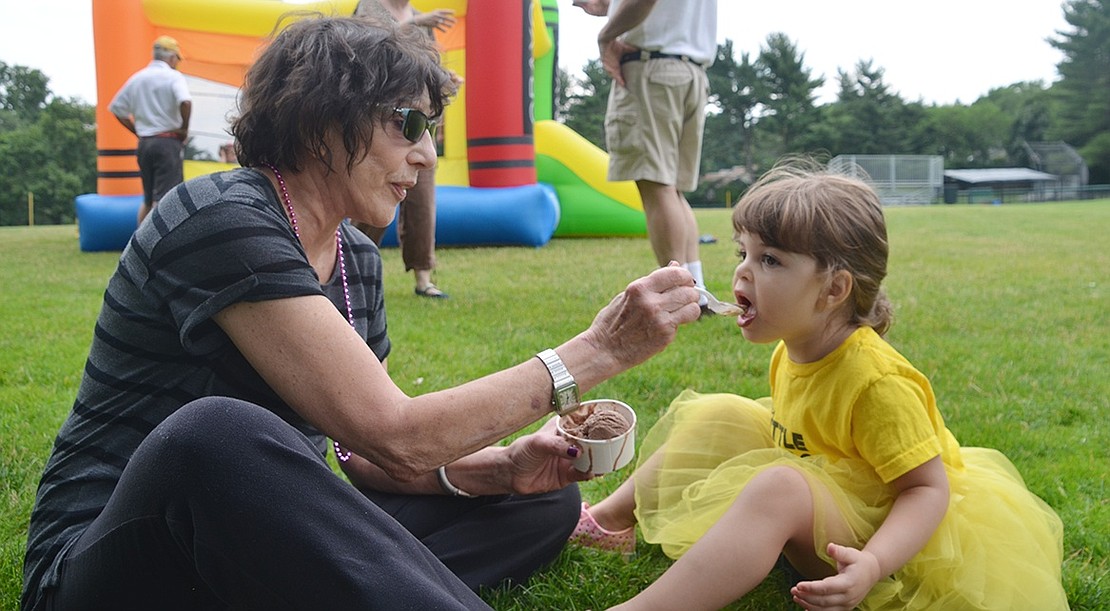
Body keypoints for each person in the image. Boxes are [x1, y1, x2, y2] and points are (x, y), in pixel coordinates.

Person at [21, 17, 702, 611]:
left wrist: (504, 467)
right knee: (213, 433)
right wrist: (599, 349)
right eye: (408, 124)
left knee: (535, 501)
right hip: (119, 558)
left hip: (244, 541)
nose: (427, 152)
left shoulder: (355, 256)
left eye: (432, 131)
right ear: (323, 123)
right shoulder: (222, 220)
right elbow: (396, 433)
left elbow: (363, 455)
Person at [570, 161, 1069, 610]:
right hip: (829, 493)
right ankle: (611, 522)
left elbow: (925, 491)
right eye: (744, 253)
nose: (743, 270)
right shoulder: (793, 347)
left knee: (780, 486)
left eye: (771, 261)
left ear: (834, 289)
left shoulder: (877, 382)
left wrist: (871, 563)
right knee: (721, 412)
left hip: (884, 543)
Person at [574, 0, 717, 308]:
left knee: (656, 185)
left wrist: (606, 35)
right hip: (691, 70)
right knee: (672, 189)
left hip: (651, 69)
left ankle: (678, 297)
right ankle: (695, 290)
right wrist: (612, 7)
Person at [354, 0, 457, 298]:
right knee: (369, 201)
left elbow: (429, 70)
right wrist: (418, 22)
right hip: (382, 127)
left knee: (422, 205)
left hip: (419, 125)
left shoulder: (420, 19)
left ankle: (424, 279)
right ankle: (350, 262)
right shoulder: (370, 7)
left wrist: (447, 83)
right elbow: (367, 45)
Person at [108, 35, 192, 225]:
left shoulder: (137, 78)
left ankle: (138, 244)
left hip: (145, 143)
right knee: (167, 199)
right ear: (171, 58)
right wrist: (184, 129)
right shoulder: (173, 76)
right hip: (167, 142)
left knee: (147, 199)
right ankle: (162, 245)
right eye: (177, 59)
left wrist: (138, 131)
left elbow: (117, 109)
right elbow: (185, 101)